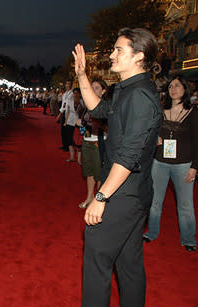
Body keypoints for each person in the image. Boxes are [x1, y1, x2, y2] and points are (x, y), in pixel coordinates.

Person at [72, 27, 162, 307]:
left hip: (124, 194)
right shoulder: (128, 89)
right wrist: (82, 75)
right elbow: (98, 109)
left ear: (139, 56)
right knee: (129, 264)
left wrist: (100, 197)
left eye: (118, 50)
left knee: (97, 256)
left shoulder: (140, 96)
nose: (111, 55)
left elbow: (128, 155)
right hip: (131, 192)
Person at [143, 75, 197, 252]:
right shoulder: (160, 110)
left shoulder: (193, 113)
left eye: (177, 86)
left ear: (185, 89)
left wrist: (195, 167)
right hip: (160, 163)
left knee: (185, 204)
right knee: (155, 201)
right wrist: (155, 138)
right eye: (170, 86)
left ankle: (189, 239)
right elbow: (150, 131)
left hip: (184, 165)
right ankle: (152, 232)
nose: (173, 89)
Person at [78, 79, 108, 209]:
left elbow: (107, 126)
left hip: (99, 142)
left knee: (99, 174)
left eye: (96, 88)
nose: (93, 90)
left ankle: (98, 200)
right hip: (87, 141)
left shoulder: (106, 107)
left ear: (103, 91)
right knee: (89, 172)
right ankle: (89, 197)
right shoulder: (86, 106)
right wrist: (81, 123)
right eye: (92, 87)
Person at [56, 80, 73, 152]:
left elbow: (67, 104)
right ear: (65, 85)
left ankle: (67, 146)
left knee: (67, 130)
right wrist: (61, 112)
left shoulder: (71, 93)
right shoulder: (65, 93)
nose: (68, 85)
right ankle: (65, 145)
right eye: (67, 84)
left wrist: (60, 113)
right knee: (63, 130)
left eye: (69, 84)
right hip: (64, 112)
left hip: (69, 113)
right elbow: (64, 104)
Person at [64, 88, 80, 162]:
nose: (75, 94)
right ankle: (72, 157)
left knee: (78, 141)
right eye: (74, 93)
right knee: (70, 140)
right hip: (70, 121)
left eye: (77, 93)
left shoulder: (82, 102)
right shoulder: (70, 101)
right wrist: (65, 121)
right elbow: (68, 112)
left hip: (78, 123)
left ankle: (79, 160)